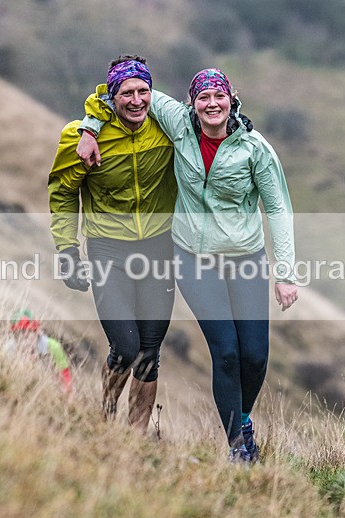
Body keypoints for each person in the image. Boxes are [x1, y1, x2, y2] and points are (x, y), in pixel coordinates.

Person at [77, 67, 298, 463]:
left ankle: (244, 419)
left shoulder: (255, 148)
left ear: (232, 100)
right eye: (203, 99)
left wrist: (285, 274)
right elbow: (120, 91)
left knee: (255, 356)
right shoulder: (178, 123)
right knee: (226, 353)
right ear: (191, 104)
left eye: (219, 97)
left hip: (246, 259)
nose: (211, 105)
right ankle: (236, 447)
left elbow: (278, 208)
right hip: (194, 261)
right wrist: (90, 128)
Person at [48, 55, 177, 430]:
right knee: (125, 346)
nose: (136, 100)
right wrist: (67, 251)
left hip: (159, 248)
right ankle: (105, 414)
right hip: (109, 248)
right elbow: (62, 193)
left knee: (150, 354)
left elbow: (207, 120)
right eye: (126, 93)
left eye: (143, 91)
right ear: (111, 97)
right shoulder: (81, 135)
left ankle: (135, 438)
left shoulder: (165, 127)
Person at [6, 310, 73, 396]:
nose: (23, 341)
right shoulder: (8, 349)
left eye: (27, 334)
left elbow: (66, 378)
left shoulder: (53, 347)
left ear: (37, 332)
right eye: (17, 335)